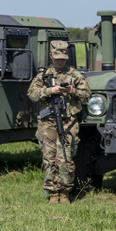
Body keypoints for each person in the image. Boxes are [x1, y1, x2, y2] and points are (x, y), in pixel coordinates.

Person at [27, 40, 90, 203]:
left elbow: (87, 97)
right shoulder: (44, 76)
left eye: (63, 58)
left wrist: (72, 91)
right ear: (51, 56)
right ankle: (52, 193)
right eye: (57, 58)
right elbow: (32, 94)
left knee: (66, 159)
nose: (60, 61)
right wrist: (50, 90)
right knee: (49, 158)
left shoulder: (75, 75)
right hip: (48, 124)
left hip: (68, 123)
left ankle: (65, 192)